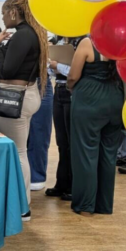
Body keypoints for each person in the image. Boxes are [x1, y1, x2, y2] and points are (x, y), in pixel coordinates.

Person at [0, 0, 47, 221]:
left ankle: (21, 205)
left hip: (16, 96)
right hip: (25, 95)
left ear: (13, 11)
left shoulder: (23, 36)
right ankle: (20, 202)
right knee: (19, 150)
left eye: (4, 13)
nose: (3, 18)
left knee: (18, 151)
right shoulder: (29, 34)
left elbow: (7, 70)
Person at [67, 37, 125, 216]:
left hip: (89, 100)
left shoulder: (88, 43)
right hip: (115, 98)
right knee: (109, 155)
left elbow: (73, 76)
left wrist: (71, 88)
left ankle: (85, 205)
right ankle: (104, 205)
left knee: (85, 153)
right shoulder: (120, 42)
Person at [45, 37, 83, 202]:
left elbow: (77, 71)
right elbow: (54, 71)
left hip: (72, 91)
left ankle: (73, 185)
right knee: (61, 141)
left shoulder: (83, 42)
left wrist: (57, 66)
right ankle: (62, 182)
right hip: (59, 89)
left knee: (71, 141)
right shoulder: (61, 42)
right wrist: (52, 66)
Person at [28, 34, 55, 193]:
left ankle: (37, 175)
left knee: (40, 133)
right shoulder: (20, 35)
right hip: (27, 83)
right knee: (25, 134)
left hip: (42, 82)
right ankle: (28, 174)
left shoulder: (45, 39)